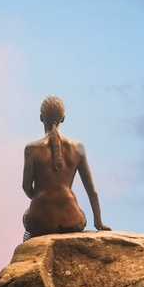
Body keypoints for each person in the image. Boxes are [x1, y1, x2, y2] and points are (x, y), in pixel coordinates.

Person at [22, 95, 111, 239]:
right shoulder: (78, 148)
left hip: (41, 222)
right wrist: (98, 222)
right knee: (80, 215)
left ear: (41, 118)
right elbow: (92, 192)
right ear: (63, 118)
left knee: (28, 227)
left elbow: (26, 186)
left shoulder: (31, 149)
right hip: (72, 219)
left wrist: (41, 199)